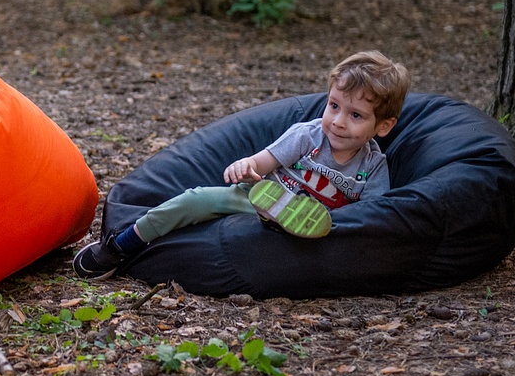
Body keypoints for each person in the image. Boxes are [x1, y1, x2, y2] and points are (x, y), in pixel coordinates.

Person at [73, 50, 410, 280]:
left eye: (355, 116)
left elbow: (373, 217)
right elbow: (260, 163)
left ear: (383, 126)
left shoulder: (373, 166)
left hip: (318, 227)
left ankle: (288, 229)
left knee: (317, 234)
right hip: (261, 197)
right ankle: (124, 243)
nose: (337, 122)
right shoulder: (307, 136)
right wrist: (244, 168)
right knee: (196, 199)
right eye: (333, 106)